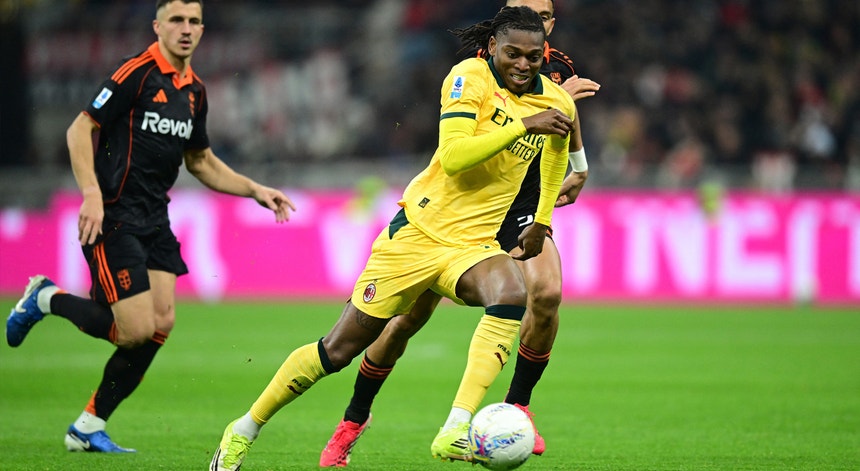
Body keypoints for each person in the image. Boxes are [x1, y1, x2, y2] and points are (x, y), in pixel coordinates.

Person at [210, 6, 576, 470]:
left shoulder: (556, 103)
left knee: (510, 292)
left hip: (473, 245)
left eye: (532, 57)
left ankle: (455, 428)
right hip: (417, 236)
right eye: (512, 54)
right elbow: (454, 155)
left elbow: (554, 158)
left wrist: (541, 221)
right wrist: (524, 125)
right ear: (492, 49)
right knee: (337, 351)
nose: (522, 65)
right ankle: (244, 428)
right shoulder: (468, 78)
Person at [5, 0, 295, 453]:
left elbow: (200, 161)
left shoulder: (195, 91)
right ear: (157, 26)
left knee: (161, 323)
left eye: (194, 21)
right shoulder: (135, 73)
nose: (186, 28)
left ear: (202, 30)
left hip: (155, 218)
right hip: (114, 214)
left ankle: (87, 426)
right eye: (176, 20)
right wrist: (91, 194)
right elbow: (79, 129)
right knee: (135, 331)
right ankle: (46, 297)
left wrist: (254, 189)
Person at [318, 0, 598, 466]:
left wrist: (580, 168)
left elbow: (566, 119)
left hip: (521, 206)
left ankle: (517, 408)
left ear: (551, 23)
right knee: (405, 322)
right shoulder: (484, 68)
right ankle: (354, 418)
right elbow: (462, 142)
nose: (538, 20)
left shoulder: (556, 70)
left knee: (546, 293)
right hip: (464, 210)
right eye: (526, 10)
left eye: (545, 14)